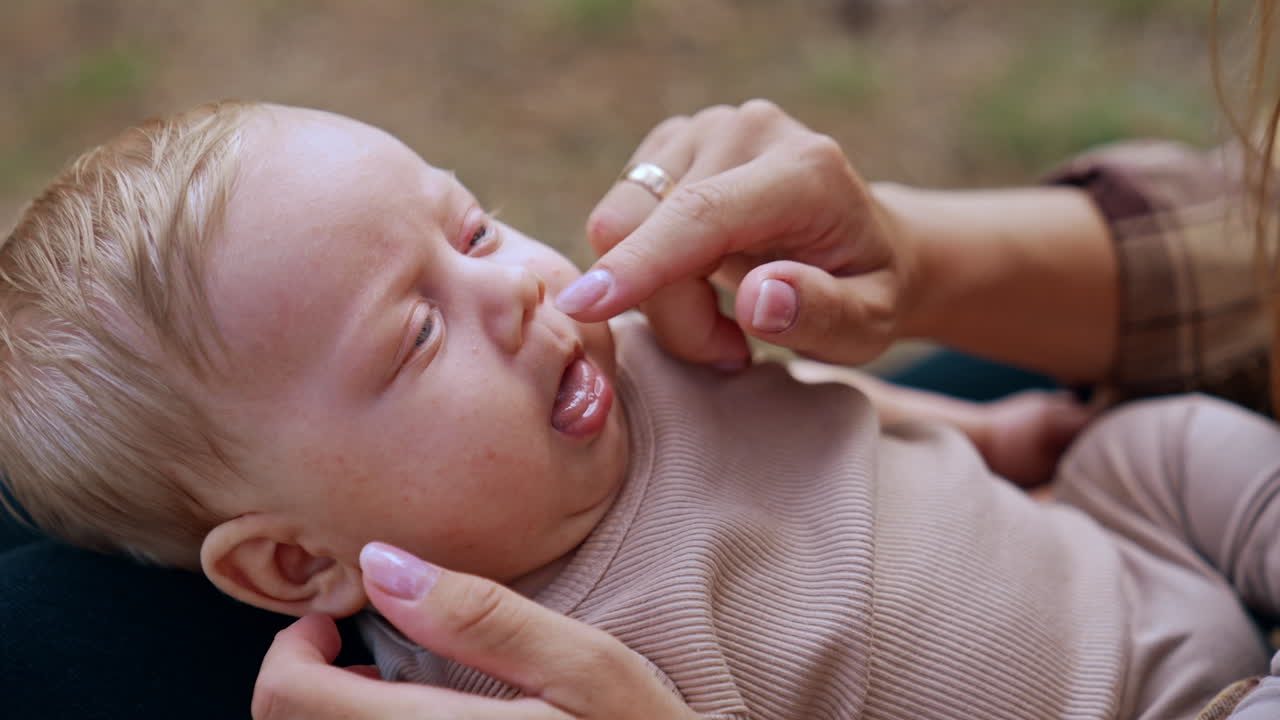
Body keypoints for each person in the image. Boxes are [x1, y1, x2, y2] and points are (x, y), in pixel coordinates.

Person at [3, 101, 1278, 720]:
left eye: (473, 226)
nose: (513, 287)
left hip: (1122, 538)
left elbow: (813, 403)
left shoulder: (616, 365)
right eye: (416, 333)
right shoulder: (507, 680)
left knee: (1167, 445)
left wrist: (991, 436)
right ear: (299, 559)